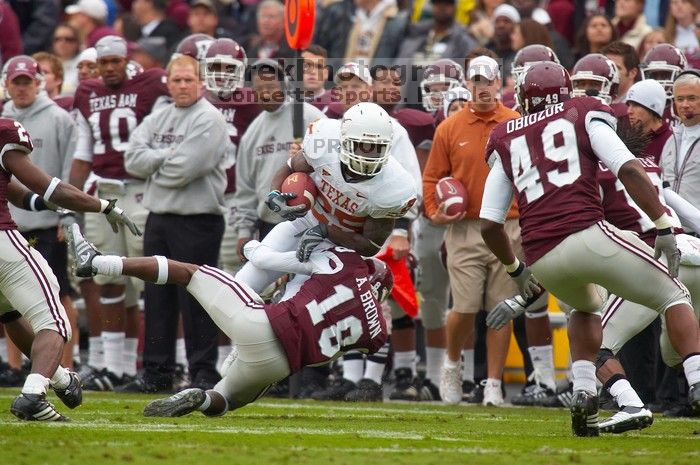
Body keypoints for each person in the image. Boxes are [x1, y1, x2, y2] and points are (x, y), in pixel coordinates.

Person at [479, 61, 700, 436]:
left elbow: (488, 222)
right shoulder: (583, 113)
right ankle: (697, 383)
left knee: (585, 308)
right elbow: (628, 170)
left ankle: (584, 394)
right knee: (674, 295)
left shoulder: (504, 135)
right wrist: (663, 224)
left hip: (541, 256)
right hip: (587, 234)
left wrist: (517, 272)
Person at [68, 223, 391, 417]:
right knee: (229, 398)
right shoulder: (375, 331)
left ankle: (99, 262)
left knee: (189, 273)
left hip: (261, 324)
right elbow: (325, 351)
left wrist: (250, 245)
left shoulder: (347, 263)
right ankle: (204, 399)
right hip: (279, 365)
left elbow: (264, 259)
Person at [0, 113, 140, 420]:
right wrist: (104, 206)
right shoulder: (5, 131)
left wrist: (42, 203)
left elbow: (17, 190)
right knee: (55, 321)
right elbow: (51, 188)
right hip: (2, 242)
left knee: (9, 313)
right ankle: (34, 394)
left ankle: (62, 380)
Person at [69, 35, 170, 391]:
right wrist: (70, 204)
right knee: (106, 275)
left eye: (115, 61)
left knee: (151, 275)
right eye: (104, 63)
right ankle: (117, 367)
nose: (109, 68)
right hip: (103, 192)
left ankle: (162, 363)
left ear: (126, 60)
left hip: (140, 189)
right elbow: (84, 151)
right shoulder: (88, 94)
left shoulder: (150, 83)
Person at [423, 55, 521, 407]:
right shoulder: (449, 127)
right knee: (463, 307)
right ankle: (452, 364)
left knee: (501, 307)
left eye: (488, 80)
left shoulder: (515, 122)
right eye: (476, 81)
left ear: (499, 83)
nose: (482, 87)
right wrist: (435, 212)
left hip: (508, 224)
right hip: (465, 226)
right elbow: (433, 175)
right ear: (467, 84)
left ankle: (493, 384)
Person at [2, 55, 80, 370]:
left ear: (38, 83)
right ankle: (15, 365)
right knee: (9, 305)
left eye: (27, 82)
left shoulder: (59, 118)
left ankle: (66, 365)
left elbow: (68, 169)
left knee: (56, 293)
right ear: (7, 85)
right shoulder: (4, 118)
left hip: (48, 221)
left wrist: (67, 214)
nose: (21, 89)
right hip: (10, 225)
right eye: (15, 82)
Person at [232, 59, 325, 249]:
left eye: (270, 86)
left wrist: (308, 157)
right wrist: (244, 232)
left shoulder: (310, 117)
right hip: (269, 224)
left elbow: (334, 165)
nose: (265, 93)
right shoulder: (253, 133)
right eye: (259, 88)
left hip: (311, 224)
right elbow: (245, 188)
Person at [51, 24, 82, 95]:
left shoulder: (82, 64)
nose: (62, 43)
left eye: (68, 39)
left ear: (77, 42)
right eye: (57, 39)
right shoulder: (47, 65)